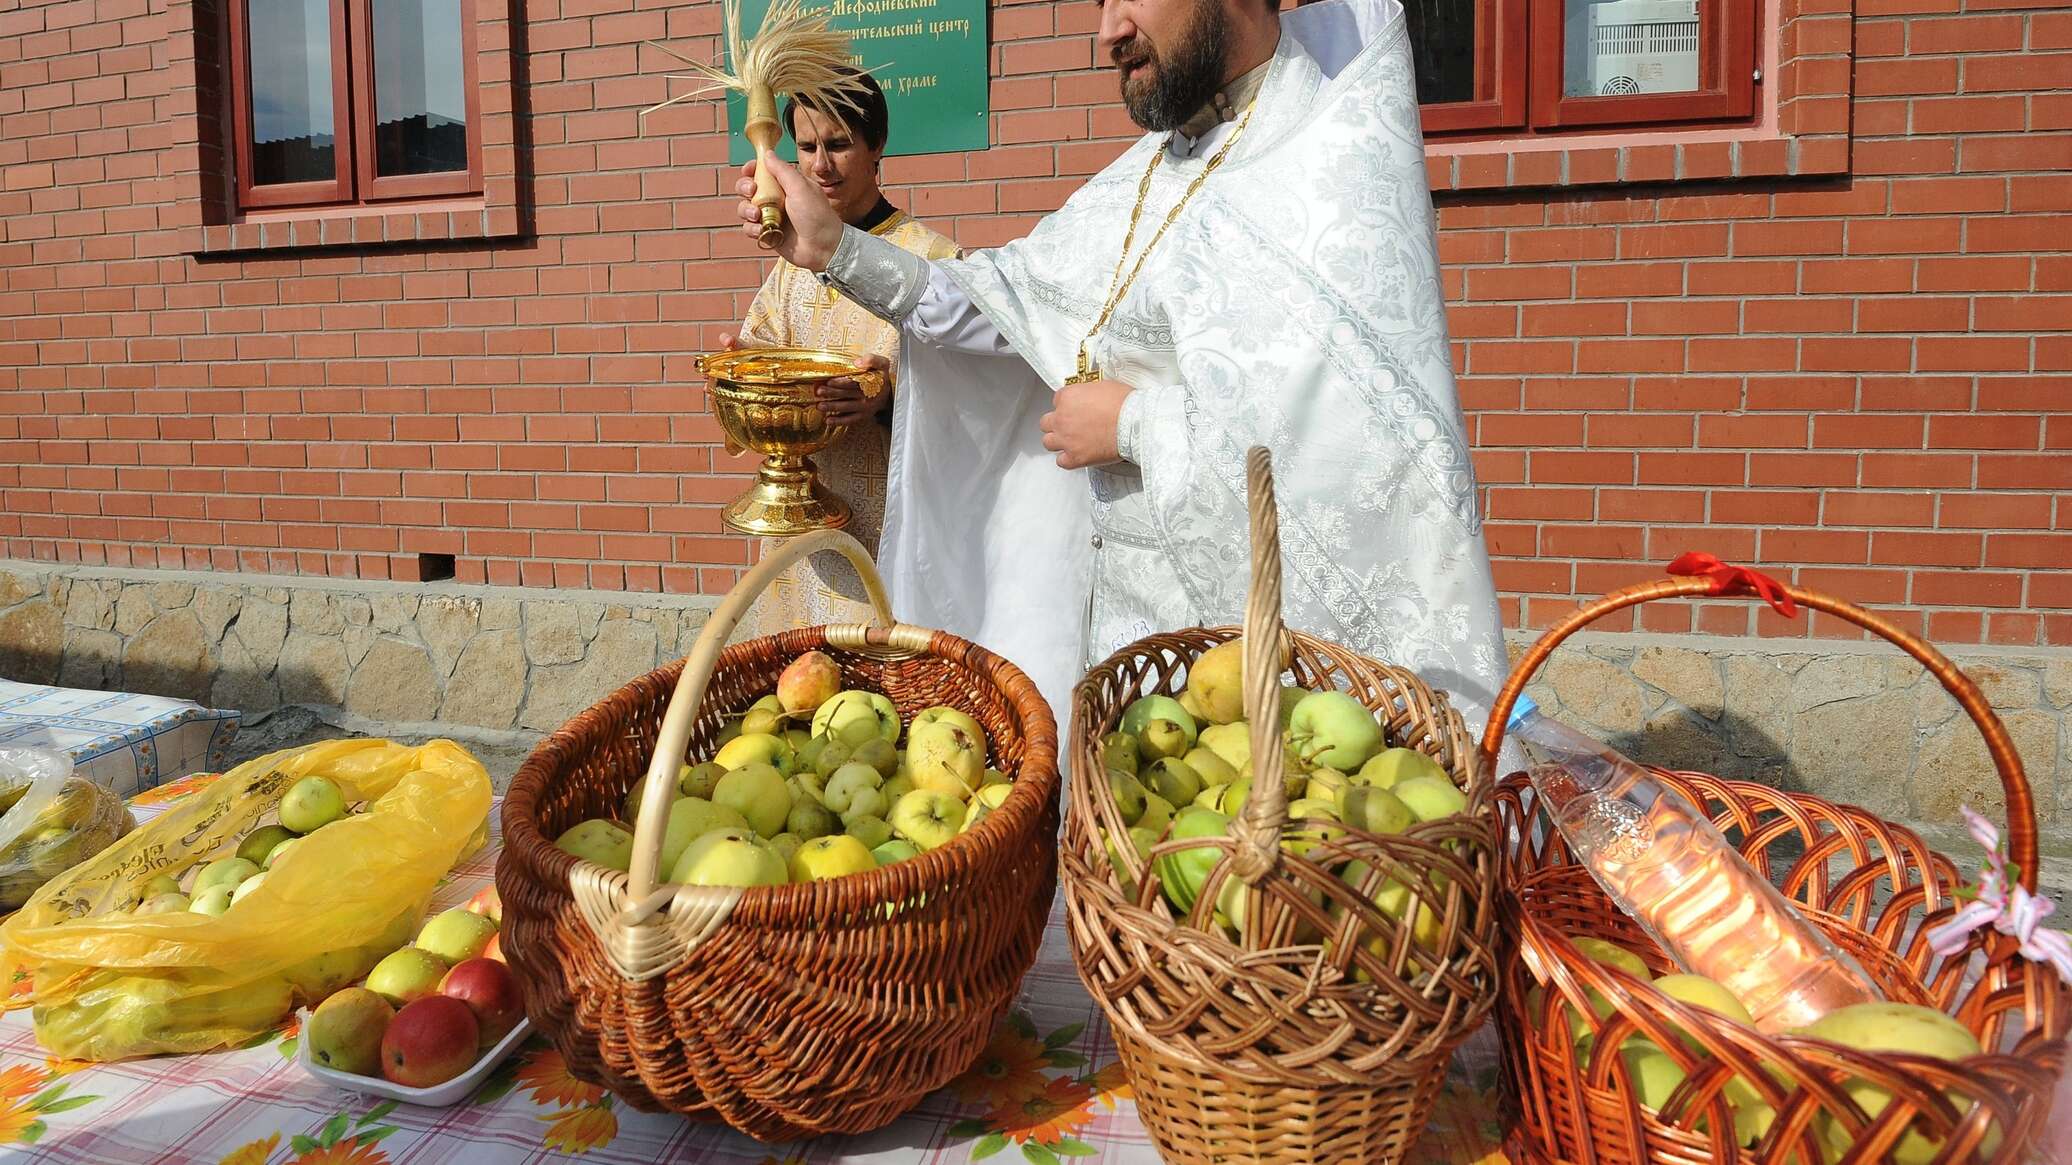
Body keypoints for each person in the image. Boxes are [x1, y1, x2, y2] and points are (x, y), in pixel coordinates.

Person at [732, 0, 1512, 737]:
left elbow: (1364, 448)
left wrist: (1134, 423)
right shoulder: (1145, 174)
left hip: (1263, 686)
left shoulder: (1330, 159)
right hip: (1118, 654)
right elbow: (1003, 305)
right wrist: (834, 247)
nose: (1108, 30)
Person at [720, 72, 958, 640]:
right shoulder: (791, 264)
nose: (821, 165)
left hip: (885, 532)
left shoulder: (932, 259)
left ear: (876, 146)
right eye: (806, 147)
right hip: (796, 534)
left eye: (839, 143)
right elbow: (768, 347)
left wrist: (886, 400)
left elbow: (972, 397)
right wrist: (743, 367)